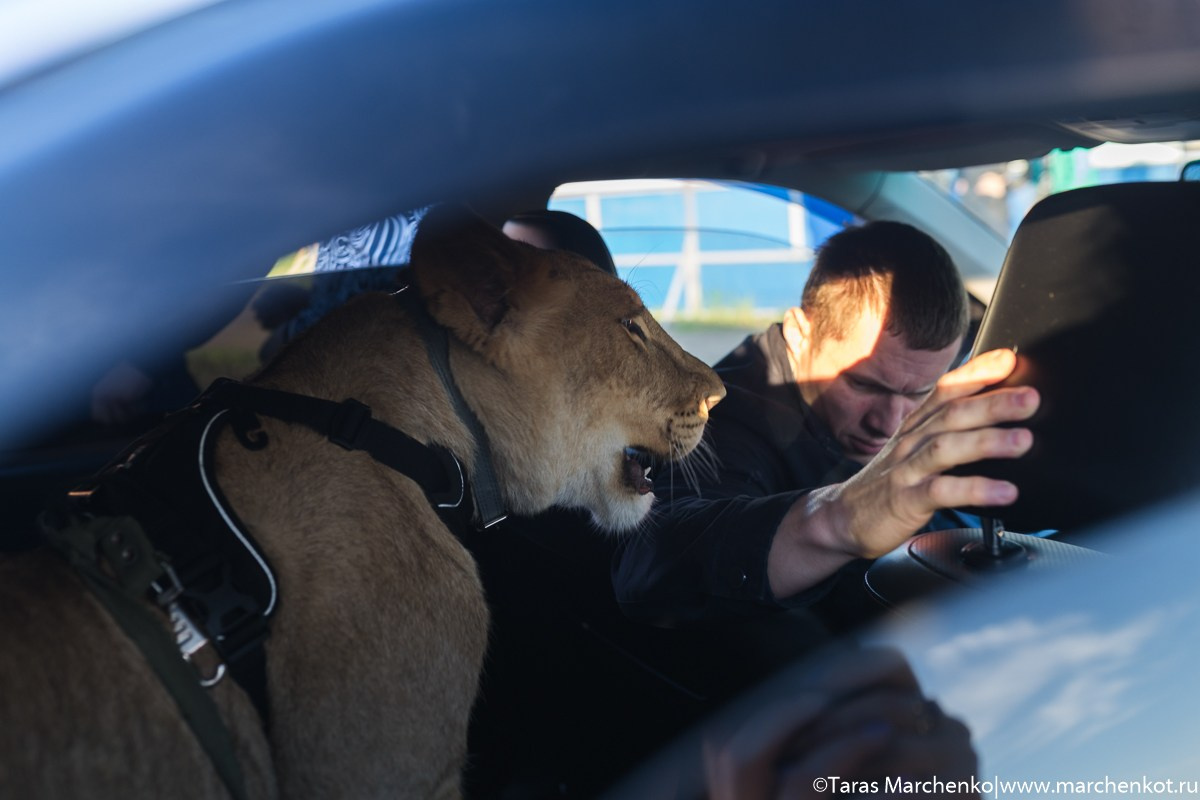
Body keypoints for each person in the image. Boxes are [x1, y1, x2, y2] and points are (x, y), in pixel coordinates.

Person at [613, 220, 1039, 627]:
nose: (889, 422)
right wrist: (837, 521)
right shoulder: (721, 425)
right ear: (799, 333)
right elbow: (651, 563)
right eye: (862, 384)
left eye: (919, 392)